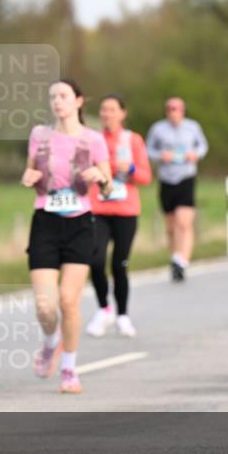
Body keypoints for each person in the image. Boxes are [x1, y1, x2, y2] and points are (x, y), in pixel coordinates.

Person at [21, 79, 111, 394]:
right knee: (45, 307)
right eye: (52, 97)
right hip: (45, 221)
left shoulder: (93, 139)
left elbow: (109, 182)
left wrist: (101, 176)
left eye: (63, 96)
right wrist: (29, 176)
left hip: (80, 223)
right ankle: (50, 342)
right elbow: (31, 171)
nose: (57, 102)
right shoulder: (39, 135)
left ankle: (69, 369)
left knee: (68, 301)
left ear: (78, 101)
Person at [86, 94, 152, 338]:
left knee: (119, 264)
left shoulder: (132, 140)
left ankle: (123, 315)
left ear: (122, 113)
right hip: (98, 209)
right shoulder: (92, 140)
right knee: (95, 260)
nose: (106, 114)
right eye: (103, 109)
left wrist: (131, 169)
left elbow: (146, 177)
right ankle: (104, 308)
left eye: (112, 110)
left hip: (126, 210)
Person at [146, 97, 208, 281]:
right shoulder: (158, 129)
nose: (174, 112)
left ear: (183, 110)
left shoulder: (192, 127)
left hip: (186, 177)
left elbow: (203, 146)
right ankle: (175, 257)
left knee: (184, 222)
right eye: (170, 109)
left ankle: (182, 261)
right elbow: (148, 150)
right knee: (171, 224)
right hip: (166, 178)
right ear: (166, 111)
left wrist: (195, 155)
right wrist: (160, 156)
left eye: (177, 108)